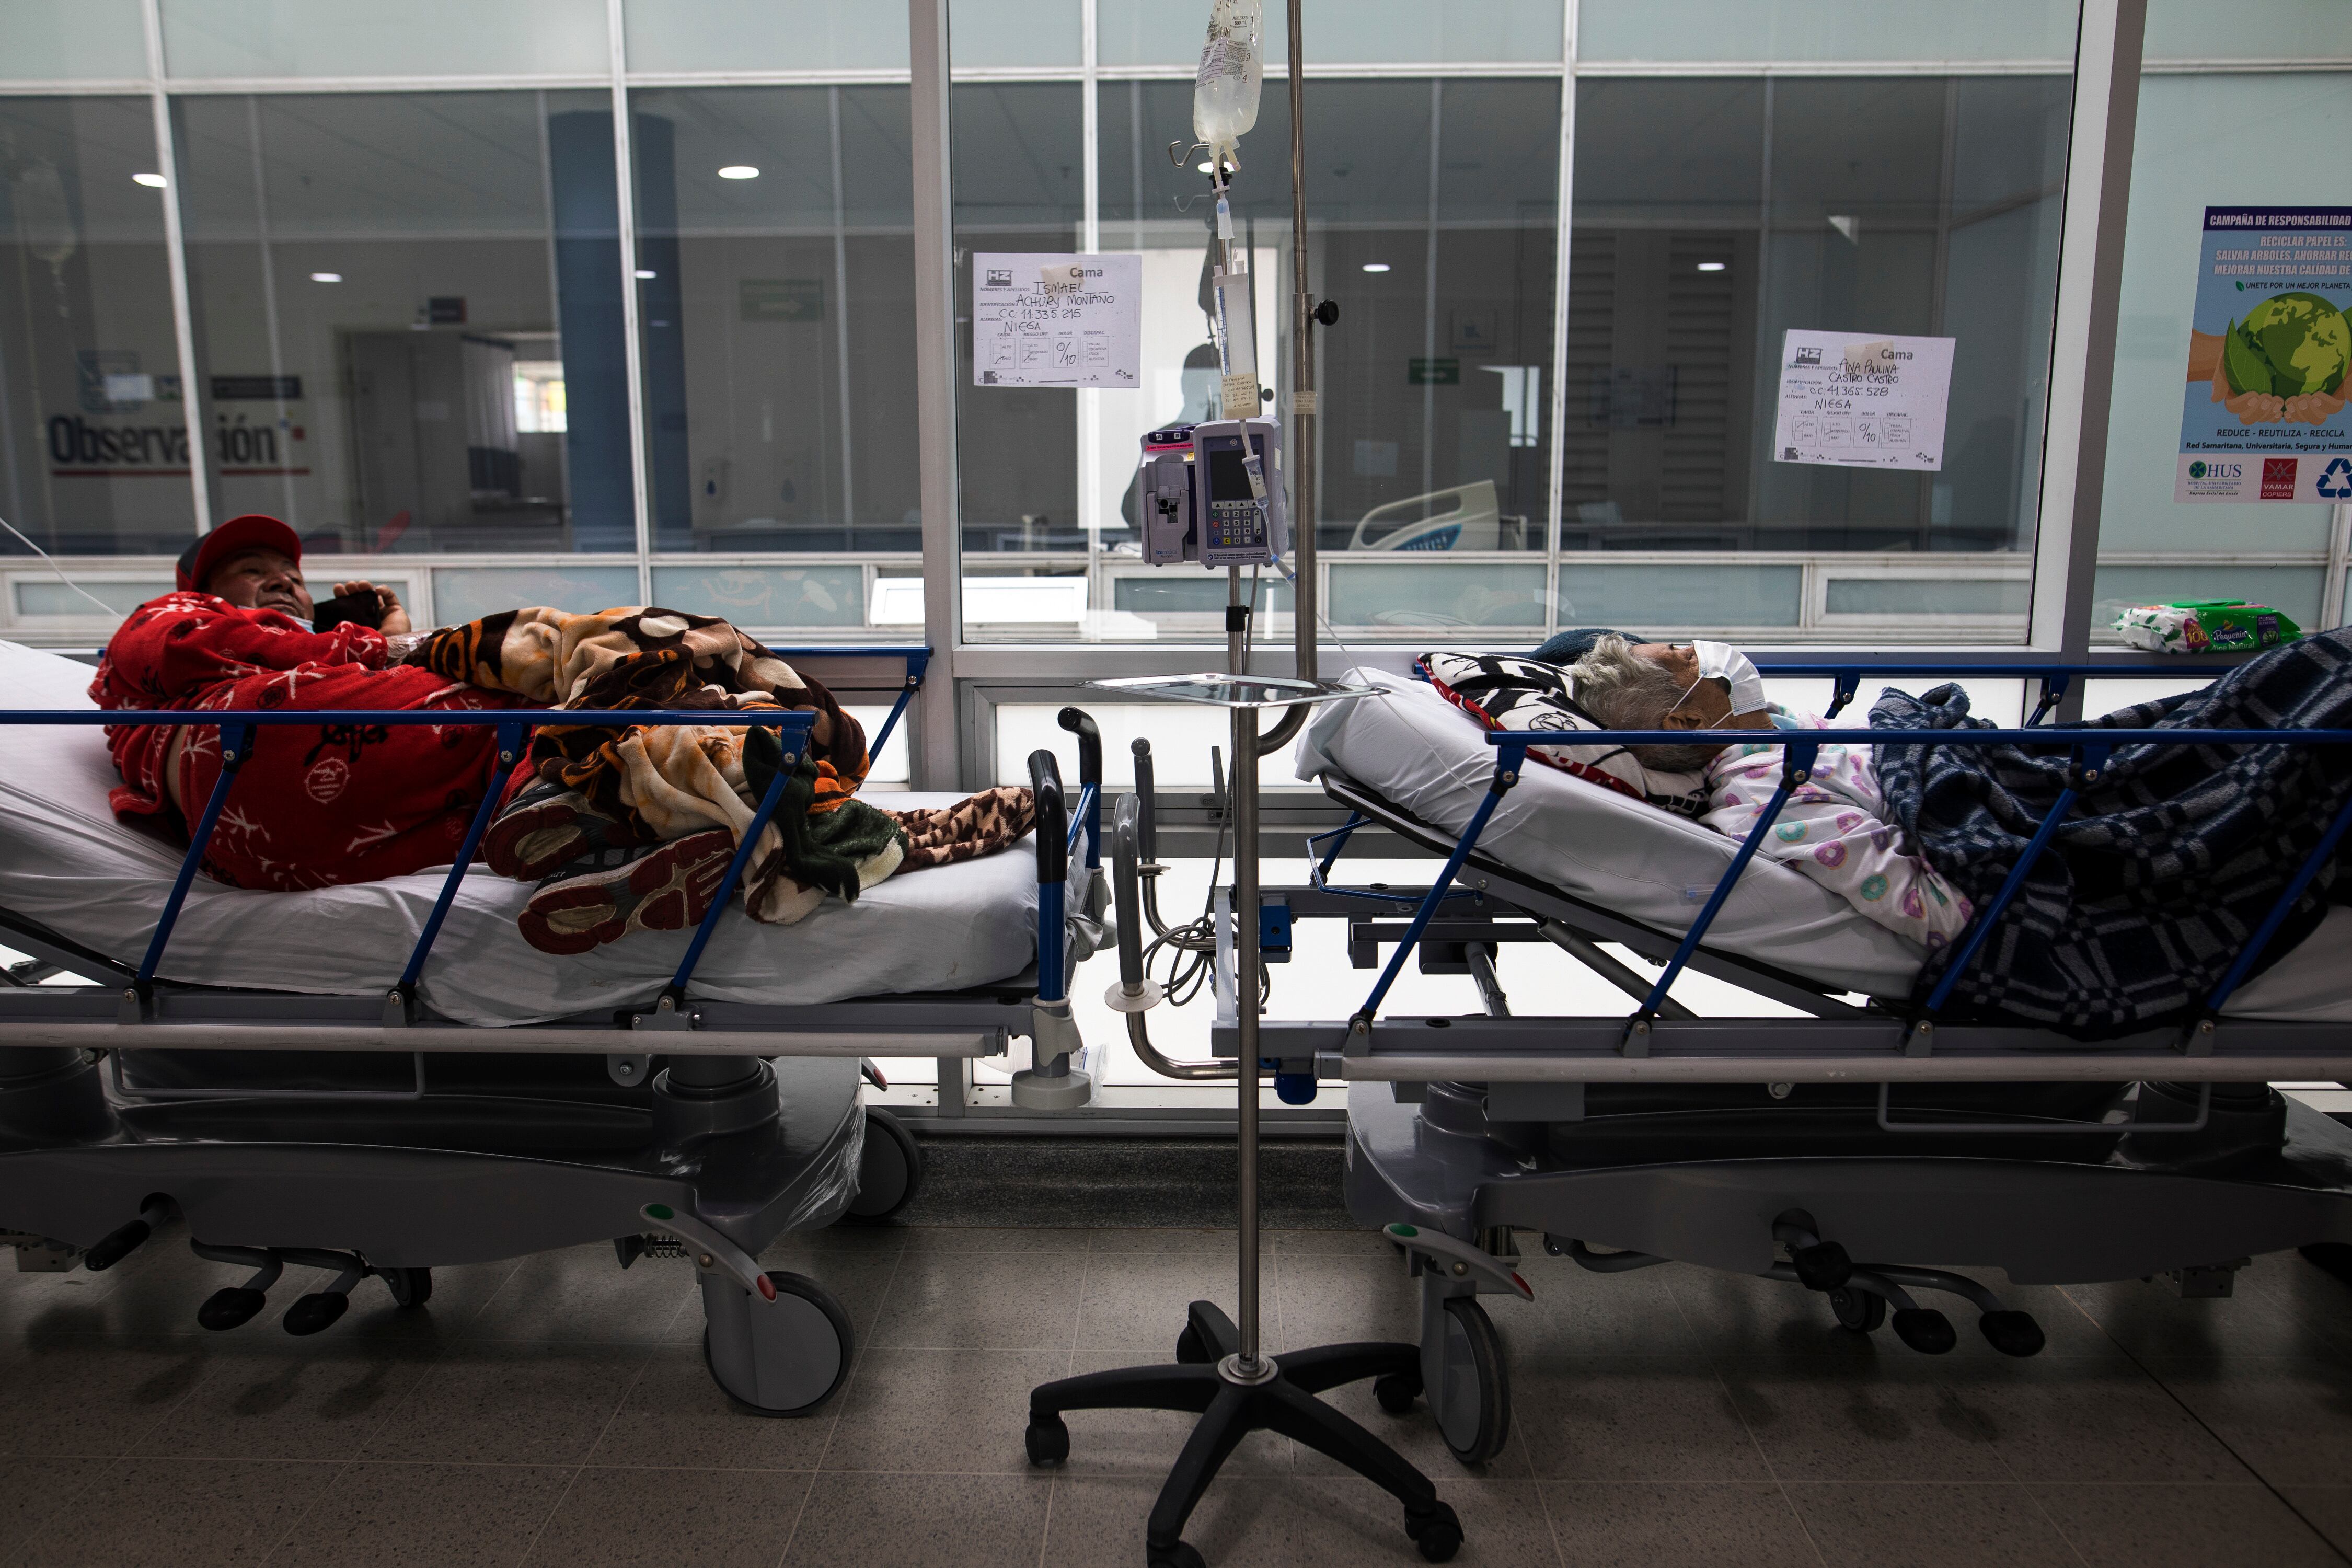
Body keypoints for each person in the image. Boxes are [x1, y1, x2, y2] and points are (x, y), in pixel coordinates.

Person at [89, 513, 537, 892]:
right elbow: (177, 645)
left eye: (294, 576)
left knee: (501, 794)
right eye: (252, 570)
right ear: (205, 592)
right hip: (239, 759)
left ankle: (554, 822)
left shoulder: (340, 660)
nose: (282, 579)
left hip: (278, 858)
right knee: (526, 672)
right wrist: (388, 645)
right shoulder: (174, 612)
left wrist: (385, 641)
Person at [1565, 634, 1971, 947]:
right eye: (1685, 656)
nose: (1701, 648)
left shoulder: (1786, 731)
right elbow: (1940, 913)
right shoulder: (1768, 796)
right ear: (1688, 720)